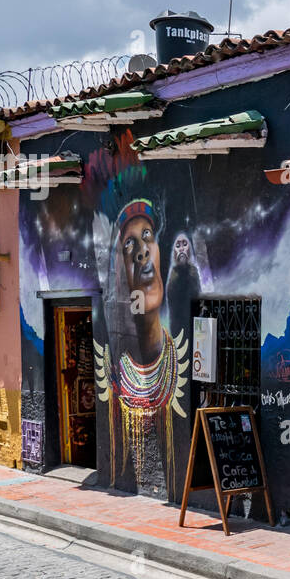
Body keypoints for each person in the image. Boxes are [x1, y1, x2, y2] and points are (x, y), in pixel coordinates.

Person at [94, 199, 189, 490]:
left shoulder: (176, 353)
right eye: (129, 246)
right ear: (120, 272)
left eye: (147, 236)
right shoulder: (114, 368)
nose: (141, 252)